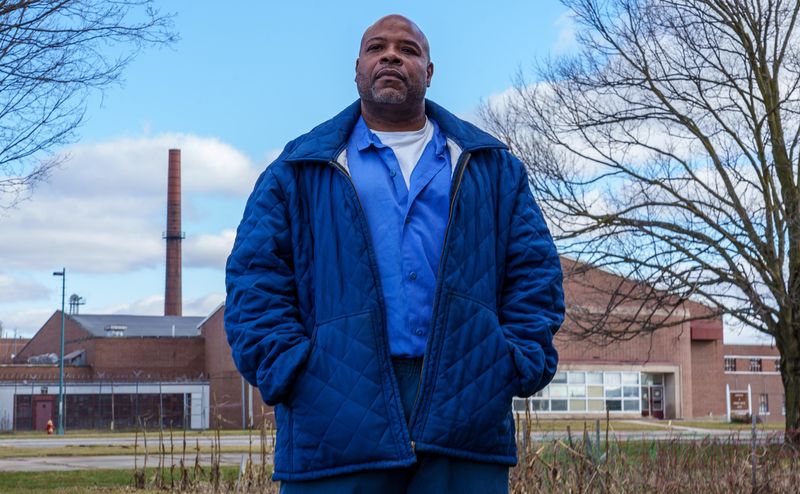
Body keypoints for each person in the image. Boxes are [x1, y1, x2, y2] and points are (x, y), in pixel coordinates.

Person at [225, 14, 564, 494]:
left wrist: (509, 362)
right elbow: (254, 278)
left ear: (429, 71)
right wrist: (294, 370)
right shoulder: (298, 168)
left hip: (464, 412)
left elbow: (535, 274)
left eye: (408, 49)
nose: (391, 55)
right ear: (358, 69)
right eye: (376, 47)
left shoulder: (493, 167)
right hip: (334, 417)